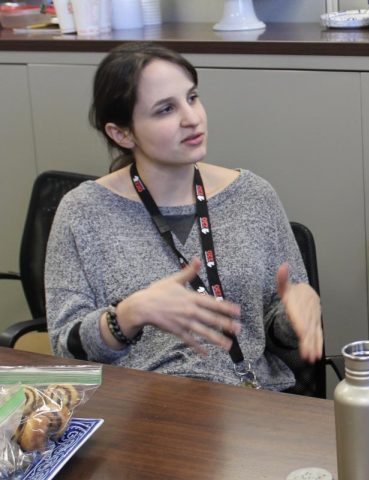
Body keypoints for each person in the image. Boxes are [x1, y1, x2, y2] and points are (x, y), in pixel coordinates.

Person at [45, 42, 323, 391]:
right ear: (121, 133)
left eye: (192, 97)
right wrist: (127, 317)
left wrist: (292, 320)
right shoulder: (82, 212)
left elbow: (276, 333)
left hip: (249, 406)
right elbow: (65, 349)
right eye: (165, 109)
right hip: (138, 410)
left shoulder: (254, 196)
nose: (192, 118)